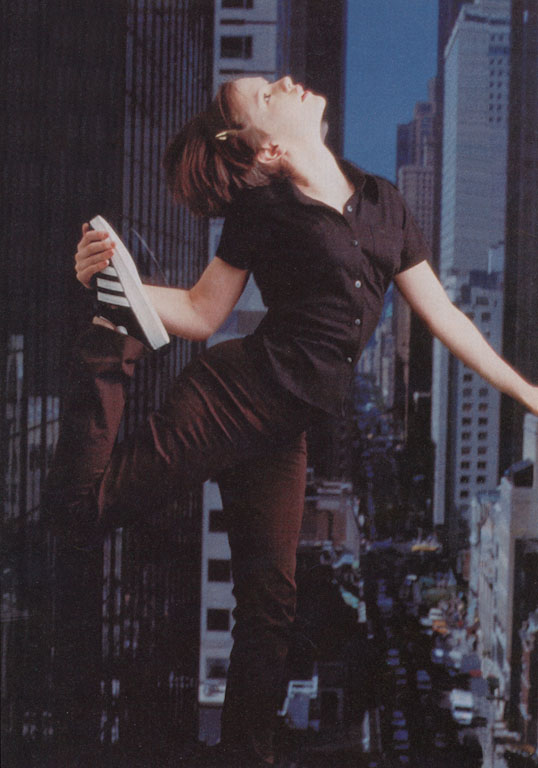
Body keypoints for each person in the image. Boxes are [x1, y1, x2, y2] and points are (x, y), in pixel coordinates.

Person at [48, 75, 538, 767]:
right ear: (270, 149)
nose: (285, 81)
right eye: (266, 94)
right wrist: (117, 291)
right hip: (233, 396)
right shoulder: (264, 207)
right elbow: (203, 312)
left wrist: (529, 392)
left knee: (270, 611)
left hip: (282, 429)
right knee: (79, 511)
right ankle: (109, 333)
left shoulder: (385, 204)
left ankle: (246, 759)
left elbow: (446, 317)